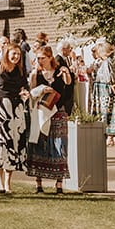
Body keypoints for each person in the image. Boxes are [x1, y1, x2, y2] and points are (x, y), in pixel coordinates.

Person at [26, 47, 73, 193]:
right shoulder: (36, 73)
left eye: (43, 58)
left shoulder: (59, 71)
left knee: (60, 144)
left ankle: (59, 184)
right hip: (42, 112)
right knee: (40, 143)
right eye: (38, 58)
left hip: (58, 110)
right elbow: (31, 93)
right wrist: (41, 89)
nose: (40, 61)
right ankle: (38, 183)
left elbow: (69, 84)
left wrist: (66, 72)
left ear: (50, 58)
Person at [0, 42, 27, 193]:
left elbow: (23, 87)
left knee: (14, 143)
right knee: (0, 142)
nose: (16, 57)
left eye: (18, 54)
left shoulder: (20, 70)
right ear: (6, 54)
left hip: (16, 108)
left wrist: (24, 93)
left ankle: (8, 183)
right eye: (13, 53)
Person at [89, 40, 115, 141]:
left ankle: (109, 135)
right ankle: (111, 136)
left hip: (105, 90)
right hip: (104, 89)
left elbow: (110, 78)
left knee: (106, 112)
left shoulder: (108, 62)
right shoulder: (109, 62)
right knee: (108, 112)